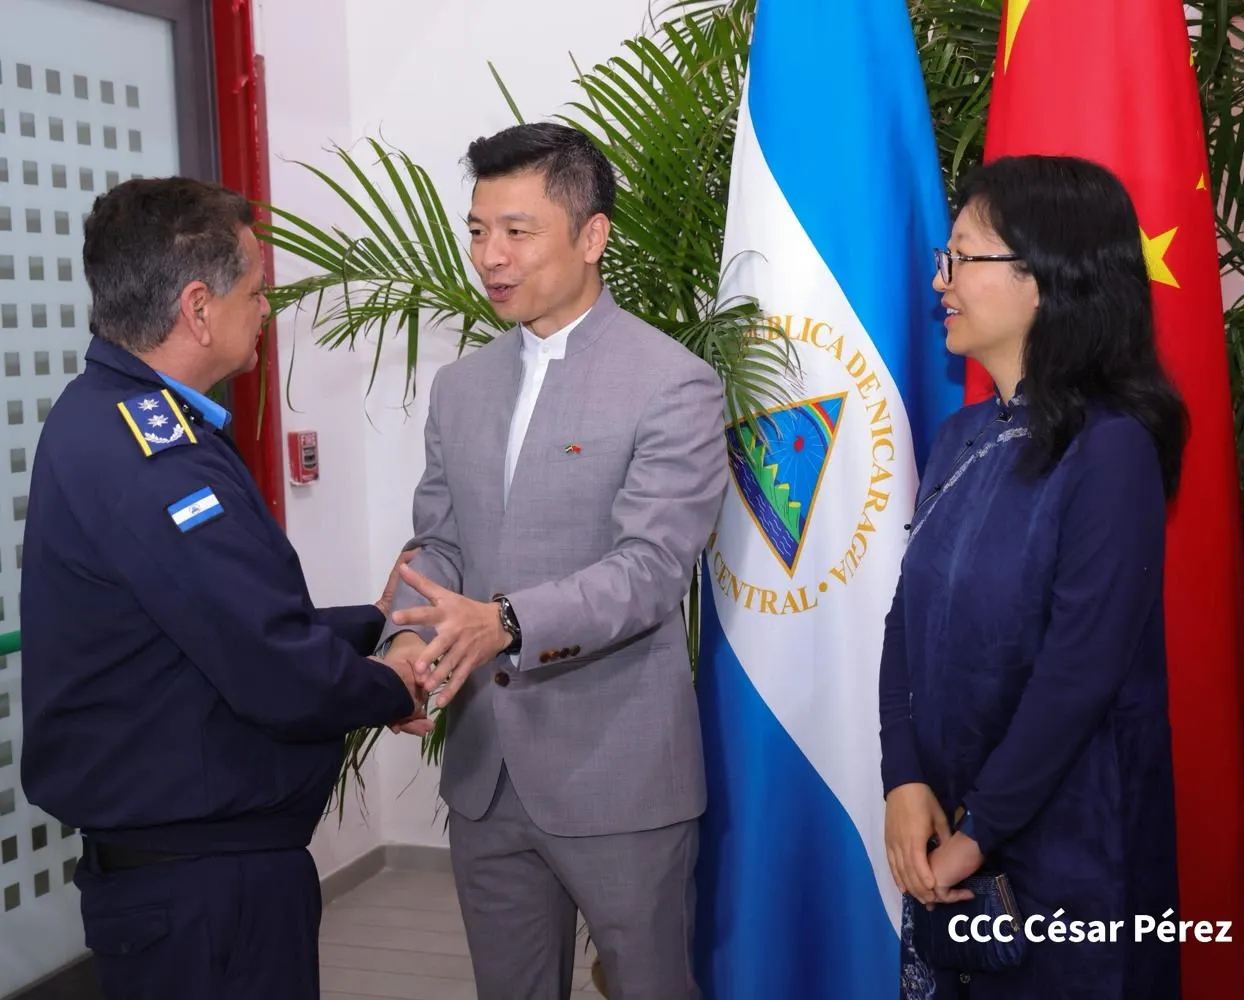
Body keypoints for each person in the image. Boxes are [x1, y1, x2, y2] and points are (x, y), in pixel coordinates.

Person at [19, 177, 424, 1000]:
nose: (266, 311)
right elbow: (269, 665)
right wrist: (397, 679)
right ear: (198, 308)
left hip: (188, 874)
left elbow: (212, 620)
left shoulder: (108, 414)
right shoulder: (151, 457)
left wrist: (375, 623)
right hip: (203, 891)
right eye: (258, 291)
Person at [380, 122, 728, 999]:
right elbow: (438, 544)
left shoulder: (672, 382)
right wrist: (402, 647)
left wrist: (504, 624)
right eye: (476, 229)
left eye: (517, 231)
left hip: (620, 779)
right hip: (485, 780)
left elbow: (650, 568)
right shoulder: (460, 388)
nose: (489, 256)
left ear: (592, 234)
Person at [878, 155, 1186, 1000]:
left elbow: (1078, 674)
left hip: (1067, 848)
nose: (941, 279)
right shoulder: (959, 436)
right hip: (951, 833)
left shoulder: (1112, 449)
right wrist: (903, 782)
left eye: (963, 257)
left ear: (1046, 278)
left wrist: (979, 834)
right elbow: (904, 620)